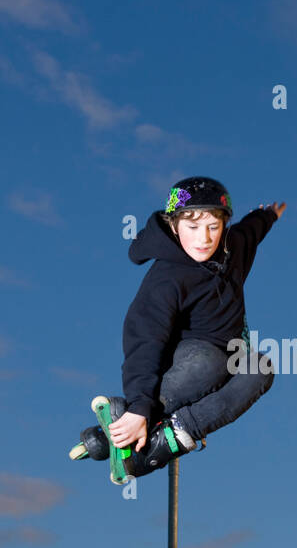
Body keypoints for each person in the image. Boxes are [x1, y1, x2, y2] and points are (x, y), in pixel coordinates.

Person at [110, 177, 286, 475]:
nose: (204, 239)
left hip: (227, 358)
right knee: (211, 362)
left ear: (224, 226)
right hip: (180, 366)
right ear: (174, 226)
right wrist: (140, 404)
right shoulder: (166, 278)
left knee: (261, 369)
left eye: (212, 228)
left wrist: (268, 215)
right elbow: (144, 339)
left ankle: (175, 435)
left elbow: (253, 230)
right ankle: (133, 420)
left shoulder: (235, 246)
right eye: (192, 228)